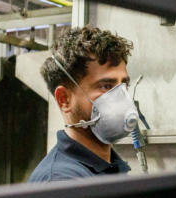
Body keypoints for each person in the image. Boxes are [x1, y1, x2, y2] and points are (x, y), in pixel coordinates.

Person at [29, 25, 137, 183]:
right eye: (106, 86)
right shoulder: (61, 180)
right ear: (64, 99)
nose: (122, 98)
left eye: (123, 86)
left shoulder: (108, 167)